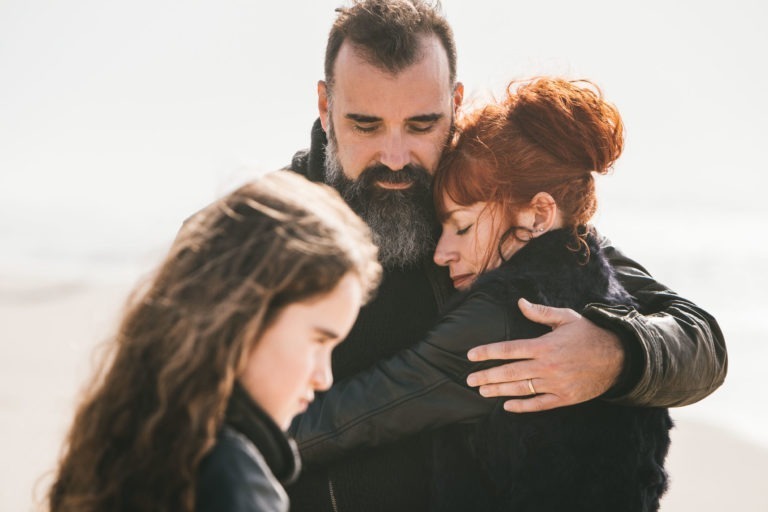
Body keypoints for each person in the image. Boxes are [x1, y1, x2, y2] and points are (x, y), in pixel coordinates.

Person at [285, 1, 726, 510]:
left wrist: (617, 352)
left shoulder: (488, 206)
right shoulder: (260, 230)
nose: (396, 156)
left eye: (422, 124)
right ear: (325, 105)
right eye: (366, 125)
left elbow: (701, 339)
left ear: (455, 103)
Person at [46, 170, 382, 512]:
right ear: (243, 319)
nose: (323, 377)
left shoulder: (125, 441)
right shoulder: (232, 481)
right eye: (318, 341)